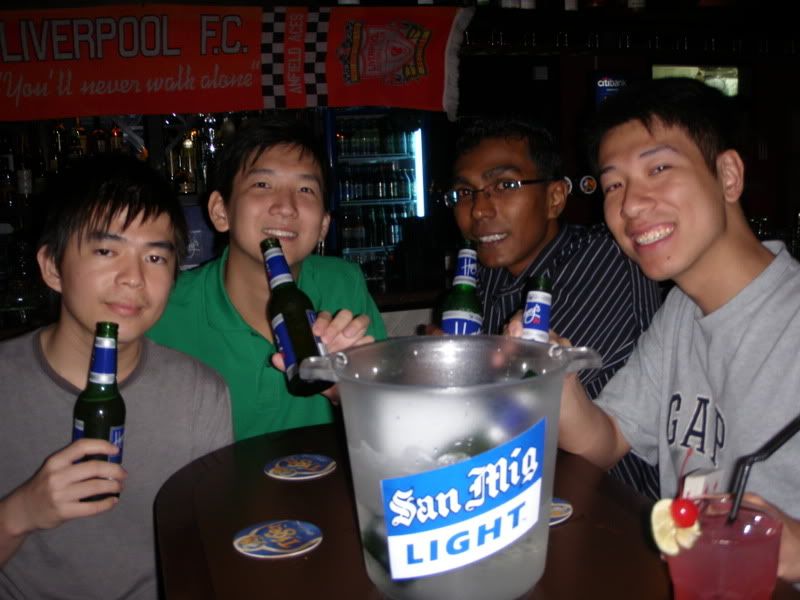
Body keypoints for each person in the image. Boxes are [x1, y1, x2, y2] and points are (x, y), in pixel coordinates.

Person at [508, 77, 799, 581]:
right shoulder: (681, 311)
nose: (630, 205)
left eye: (659, 169)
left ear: (728, 176)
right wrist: (556, 375)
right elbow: (607, 440)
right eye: (613, 185)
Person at [0, 154, 232, 598]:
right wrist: (21, 512)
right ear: (52, 267)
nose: (134, 278)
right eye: (107, 251)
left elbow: (209, 548)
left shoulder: (200, 394)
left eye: (155, 257)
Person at [443, 116, 663, 499]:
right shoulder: (481, 272)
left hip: (613, 503)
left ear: (555, 198)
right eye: (464, 192)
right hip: (516, 488)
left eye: (504, 185)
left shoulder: (603, 261)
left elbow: (521, 408)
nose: (478, 210)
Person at [147, 117, 386, 442]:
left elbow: (391, 425)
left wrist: (346, 391)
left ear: (323, 225)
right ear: (221, 212)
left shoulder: (343, 284)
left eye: (305, 189)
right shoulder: (165, 309)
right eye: (262, 185)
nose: (286, 207)